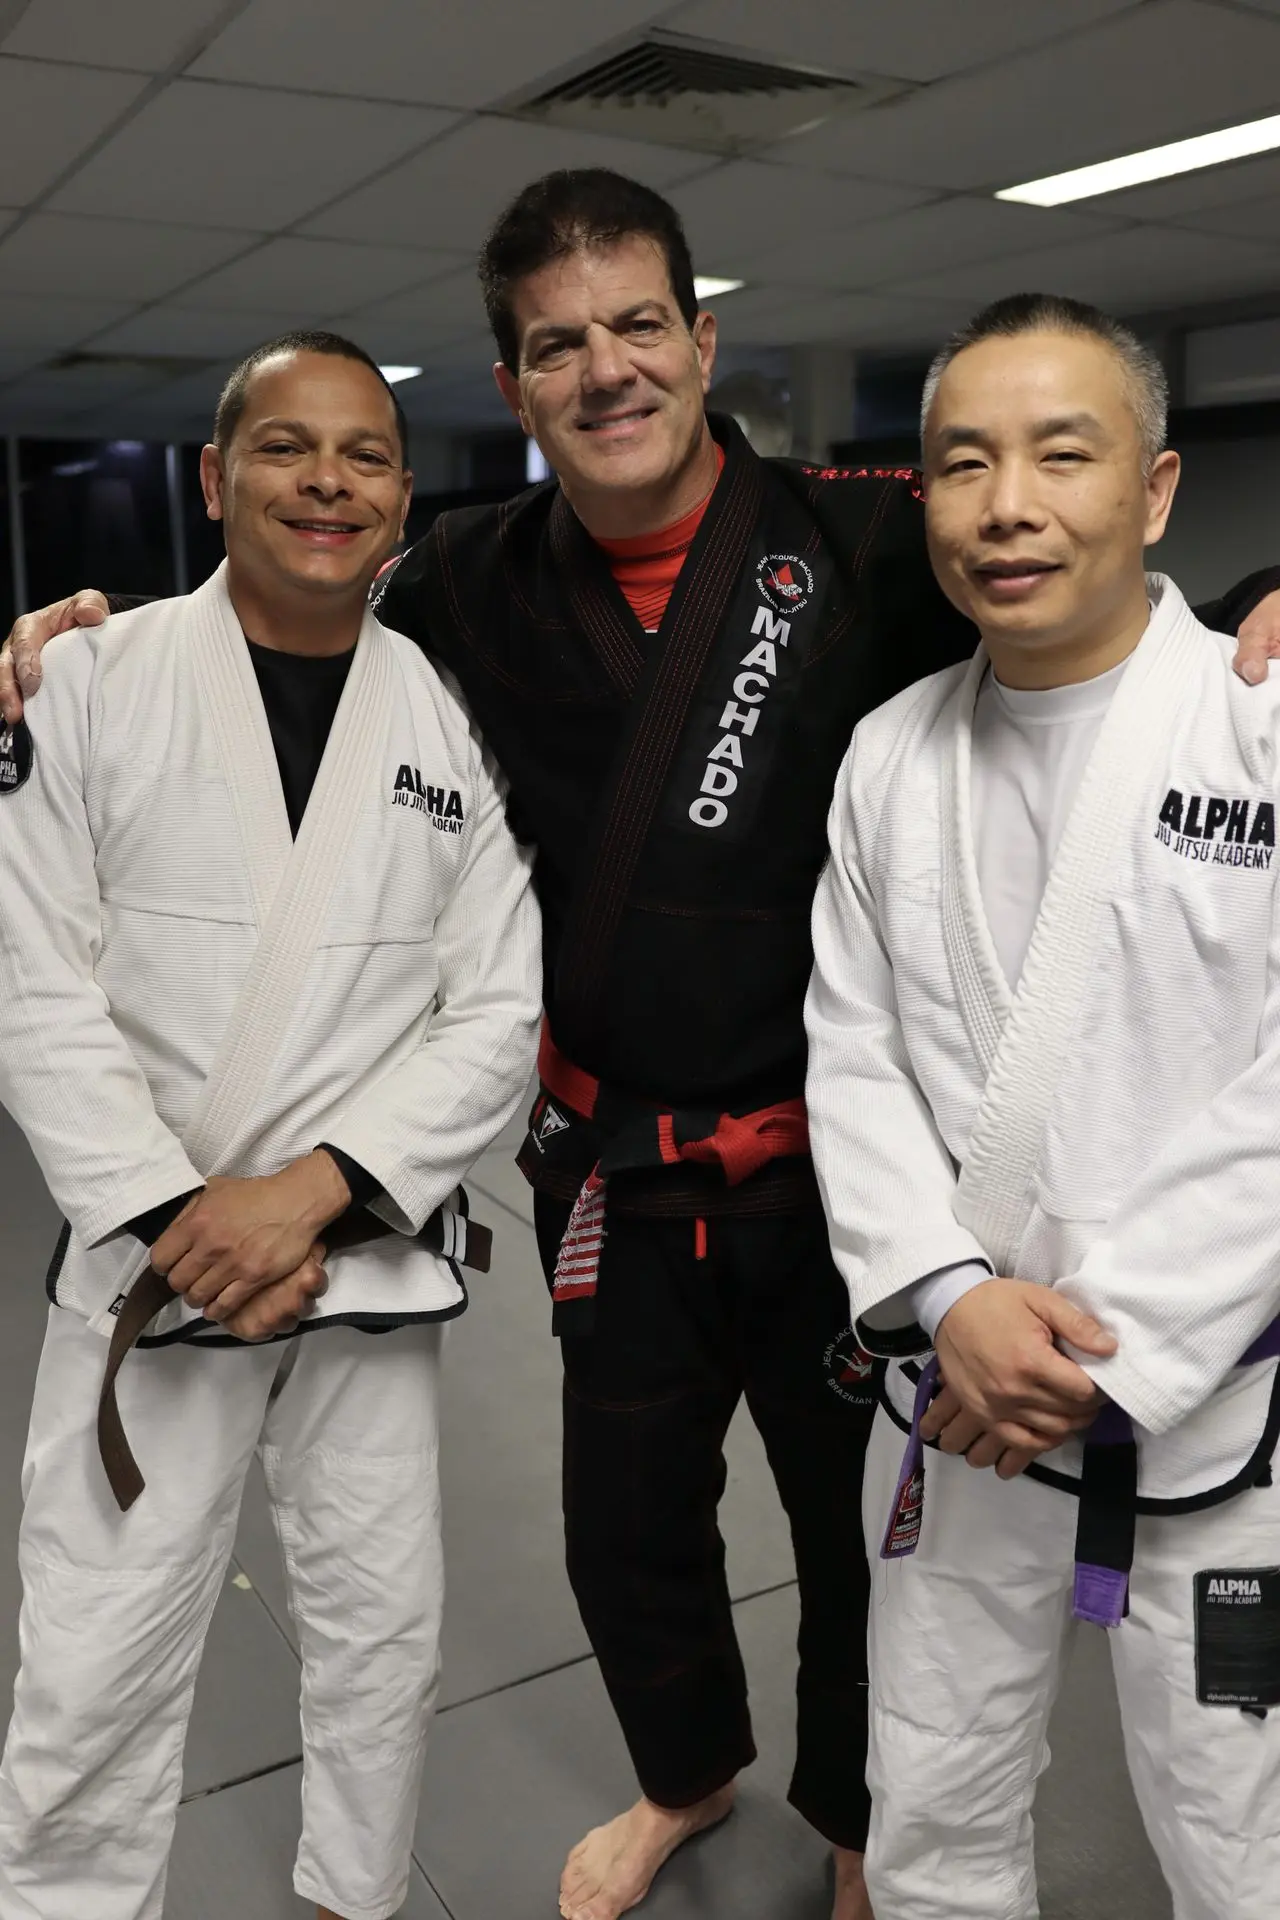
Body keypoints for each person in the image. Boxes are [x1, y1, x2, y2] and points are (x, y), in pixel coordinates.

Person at [3, 177, 1278, 1920]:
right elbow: (291, 650)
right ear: (517, 387)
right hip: (612, 1164)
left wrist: (1266, 614)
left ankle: (859, 1821)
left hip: (835, 1160)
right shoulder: (460, 577)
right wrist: (73, 646)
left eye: (636, 326)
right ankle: (686, 1779)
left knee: (852, 1535)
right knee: (626, 1525)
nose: (605, 370)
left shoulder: (871, 538)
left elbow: (1077, 606)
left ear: (700, 338)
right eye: (556, 345)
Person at [0, 332, 541, 1920]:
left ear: (401, 499)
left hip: (358, 1263)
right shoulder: (85, 681)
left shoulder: (440, 710)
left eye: (367, 454)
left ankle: (354, 1900)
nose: (328, 481)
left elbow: (495, 1008)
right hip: (156, 1269)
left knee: (384, 1633)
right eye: (289, 448)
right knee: (95, 1657)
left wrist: (308, 1198)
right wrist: (183, 1217)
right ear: (215, 474)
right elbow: (33, 982)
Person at [806, 292, 1280, 1920]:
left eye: (1061, 455)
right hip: (956, 1398)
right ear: (920, 499)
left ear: (1153, 491)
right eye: (962, 463)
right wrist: (950, 1305)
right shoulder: (886, 755)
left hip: (1219, 1409)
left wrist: (1110, 1348)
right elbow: (851, 1055)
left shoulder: (1261, 725)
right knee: (930, 1797)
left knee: (1245, 1839)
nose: (1007, 504)